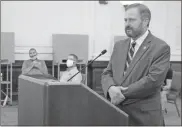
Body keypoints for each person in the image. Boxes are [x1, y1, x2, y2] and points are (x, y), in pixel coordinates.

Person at [101, 3, 170, 126]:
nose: (127, 24)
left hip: (143, 117)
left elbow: (153, 81)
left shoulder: (160, 47)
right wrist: (110, 88)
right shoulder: (119, 45)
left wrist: (119, 93)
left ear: (145, 21)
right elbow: (107, 73)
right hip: (117, 114)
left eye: (131, 20)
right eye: (125, 20)